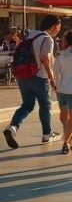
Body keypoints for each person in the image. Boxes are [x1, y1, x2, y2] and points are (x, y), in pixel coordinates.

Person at [3, 15, 63, 149]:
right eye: (59, 26)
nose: (59, 29)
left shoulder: (29, 35)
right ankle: (47, 133)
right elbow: (45, 57)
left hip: (22, 75)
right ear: (54, 25)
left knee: (27, 104)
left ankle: (12, 127)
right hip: (39, 76)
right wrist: (52, 78)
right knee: (45, 105)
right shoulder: (47, 39)